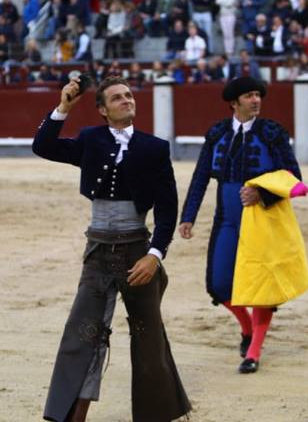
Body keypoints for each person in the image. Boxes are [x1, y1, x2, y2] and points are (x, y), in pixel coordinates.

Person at [32, 76, 191, 422]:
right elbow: (43, 147)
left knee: (147, 335)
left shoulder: (154, 148)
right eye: (117, 98)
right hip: (98, 253)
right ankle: (70, 417)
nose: (127, 100)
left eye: (129, 95)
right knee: (84, 333)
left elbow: (167, 209)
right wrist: (64, 108)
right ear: (103, 109)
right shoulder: (90, 140)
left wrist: (154, 255)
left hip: (137, 252)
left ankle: (157, 416)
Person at [179, 77, 301, 374]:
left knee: (261, 287)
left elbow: (293, 176)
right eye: (249, 96)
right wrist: (188, 215)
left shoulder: (273, 133)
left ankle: (254, 351)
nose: (256, 100)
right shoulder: (218, 133)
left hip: (262, 219)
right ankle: (247, 327)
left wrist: (262, 192)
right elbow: (200, 176)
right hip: (227, 219)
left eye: (258, 94)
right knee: (219, 284)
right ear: (234, 102)